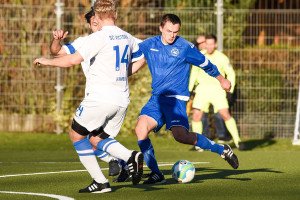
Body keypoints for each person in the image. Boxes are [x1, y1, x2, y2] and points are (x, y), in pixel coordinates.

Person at [34, 0, 144, 193]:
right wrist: (126, 72)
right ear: (115, 15)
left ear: (98, 19)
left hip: (100, 98)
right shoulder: (126, 37)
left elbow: (71, 61)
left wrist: (46, 61)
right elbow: (143, 54)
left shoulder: (98, 38)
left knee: (76, 135)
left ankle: (106, 177)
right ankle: (126, 159)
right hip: (121, 99)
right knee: (95, 139)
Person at [128, 14, 239, 184]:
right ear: (160, 28)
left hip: (176, 100)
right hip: (157, 99)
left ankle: (221, 149)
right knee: (141, 129)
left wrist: (221, 79)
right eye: (168, 31)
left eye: (175, 31)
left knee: (181, 136)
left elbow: (205, 64)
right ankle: (156, 173)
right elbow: (133, 58)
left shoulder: (185, 47)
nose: (172, 35)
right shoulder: (150, 44)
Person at [50, 7, 121, 178]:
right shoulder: (84, 42)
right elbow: (57, 51)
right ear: (90, 25)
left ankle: (122, 161)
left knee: (82, 137)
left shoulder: (116, 37)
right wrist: (56, 40)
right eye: (93, 22)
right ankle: (121, 162)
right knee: (93, 139)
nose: (97, 24)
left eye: (99, 20)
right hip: (100, 98)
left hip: (104, 98)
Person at [189, 34, 244, 150]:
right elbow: (194, 73)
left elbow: (231, 73)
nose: (209, 46)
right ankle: (198, 144)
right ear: (205, 44)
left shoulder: (222, 58)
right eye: (207, 44)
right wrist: (190, 90)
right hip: (202, 90)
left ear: (215, 44)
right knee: (196, 116)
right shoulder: (200, 56)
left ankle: (238, 141)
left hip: (217, 90)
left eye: (211, 44)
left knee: (225, 114)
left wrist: (230, 90)